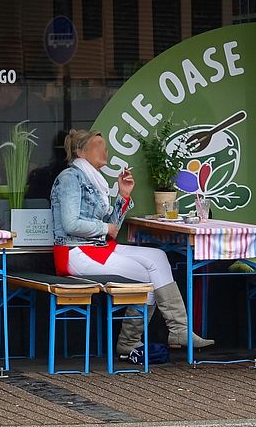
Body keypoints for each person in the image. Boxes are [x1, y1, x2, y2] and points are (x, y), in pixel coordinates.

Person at [50, 128, 214, 356]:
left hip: (98, 247)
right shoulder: (70, 177)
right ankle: (129, 342)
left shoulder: (94, 179)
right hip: (74, 252)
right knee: (146, 276)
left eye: (105, 146)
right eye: (98, 146)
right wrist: (104, 228)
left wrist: (123, 195)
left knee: (158, 256)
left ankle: (180, 329)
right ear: (80, 151)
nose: (105, 150)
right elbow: (71, 224)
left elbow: (113, 228)